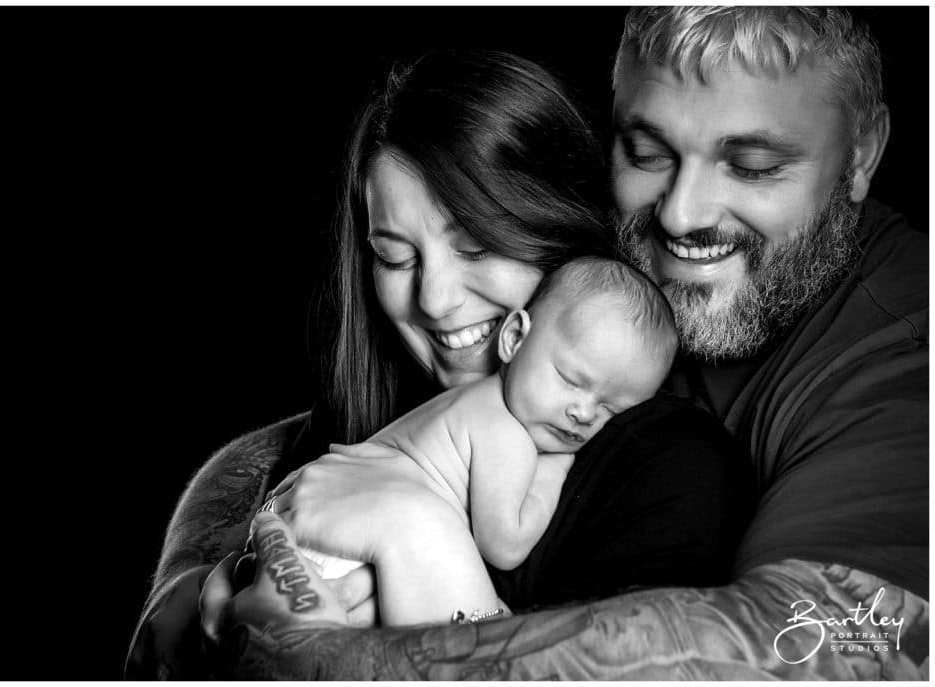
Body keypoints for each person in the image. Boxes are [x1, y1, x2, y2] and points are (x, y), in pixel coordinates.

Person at [184, 9, 929, 679]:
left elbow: (831, 651)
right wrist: (190, 575)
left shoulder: (898, 363)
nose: (680, 213)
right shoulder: (604, 293)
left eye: (753, 165)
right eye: (646, 151)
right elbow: (296, 452)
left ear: (862, 154)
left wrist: (295, 639)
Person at [126, 47, 753, 679]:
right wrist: (208, 602)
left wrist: (411, 529)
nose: (434, 299)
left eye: (477, 247)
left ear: (561, 229)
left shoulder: (669, 469)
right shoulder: (351, 435)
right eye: (396, 257)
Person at [260, 256, 689, 626]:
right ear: (514, 338)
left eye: (612, 408)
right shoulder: (506, 434)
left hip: (303, 524)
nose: (584, 412)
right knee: (478, 631)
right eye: (570, 380)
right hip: (347, 539)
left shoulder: (466, 403)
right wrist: (555, 469)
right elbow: (503, 544)